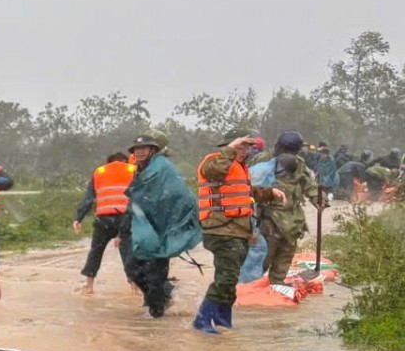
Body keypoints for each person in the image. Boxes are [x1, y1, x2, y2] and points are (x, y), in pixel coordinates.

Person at [192, 135, 284, 334]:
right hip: (221, 230)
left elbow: (245, 193)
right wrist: (231, 149)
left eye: (249, 146)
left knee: (230, 278)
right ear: (229, 145)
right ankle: (202, 320)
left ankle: (223, 320)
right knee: (226, 277)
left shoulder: (240, 167)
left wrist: (270, 193)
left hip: (239, 231)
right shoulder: (214, 161)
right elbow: (214, 173)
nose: (246, 150)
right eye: (242, 145)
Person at [121, 133, 199, 319]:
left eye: (143, 149)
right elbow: (134, 201)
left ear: (153, 151)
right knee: (132, 268)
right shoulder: (141, 171)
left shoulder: (162, 170)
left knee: (155, 272)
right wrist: (122, 231)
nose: (139, 152)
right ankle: (163, 295)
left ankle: (156, 315)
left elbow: (178, 196)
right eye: (136, 149)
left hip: (161, 229)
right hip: (144, 229)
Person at [260, 134, 322, 284]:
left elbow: (309, 183)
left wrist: (318, 198)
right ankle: (248, 288)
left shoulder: (299, 163)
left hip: (292, 218)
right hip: (268, 216)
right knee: (264, 255)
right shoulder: (263, 160)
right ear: (277, 146)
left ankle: (277, 283)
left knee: (286, 253)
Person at [72, 150, 136, 293]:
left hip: (103, 220)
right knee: (128, 253)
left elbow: (88, 199)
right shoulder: (133, 169)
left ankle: (89, 286)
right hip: (125, 220)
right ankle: (134, 288)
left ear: (109, 162)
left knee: (95, 252)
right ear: (126, 161)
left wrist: (78, 218)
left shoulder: (99, 172)